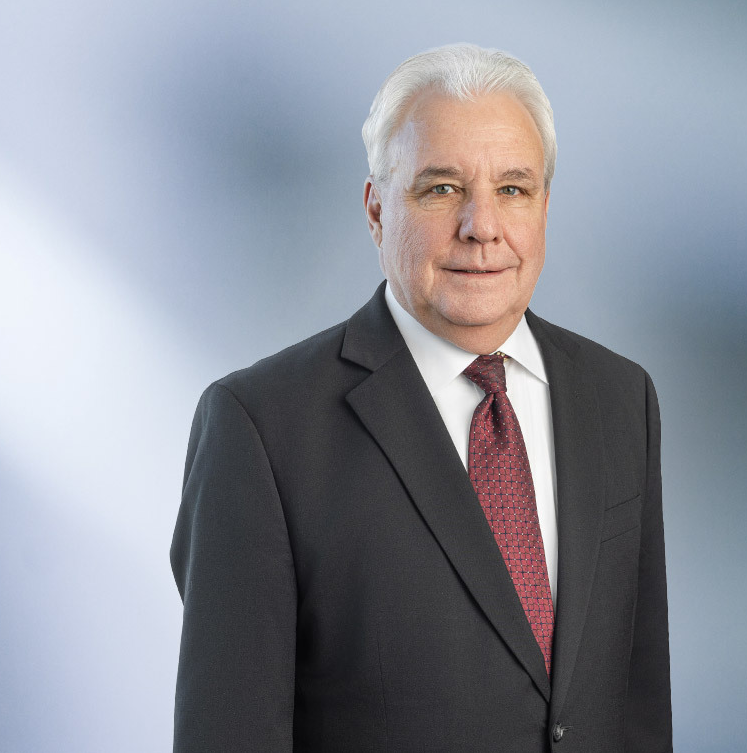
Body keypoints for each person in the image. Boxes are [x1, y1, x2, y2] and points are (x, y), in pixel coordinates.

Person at [170, 43, 671, 752]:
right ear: (377, 211)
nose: (482, 226)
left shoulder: (621, 399)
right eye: (440, 189)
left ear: (545, 208)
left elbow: (638, 706)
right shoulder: (261, 429)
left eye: (513, 190)